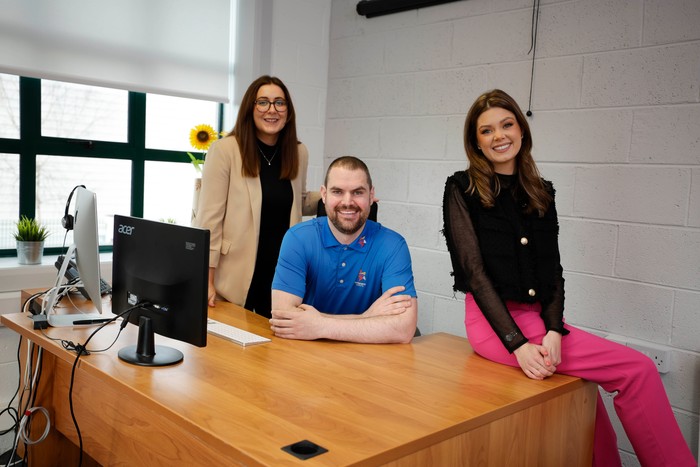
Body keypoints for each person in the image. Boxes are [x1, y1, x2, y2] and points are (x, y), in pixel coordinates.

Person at [442, 89, 695, 467]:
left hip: (538, 322)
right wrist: (517, 344)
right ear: (475, 142)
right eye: (486, 130)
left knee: (590, 407)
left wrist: (555, 330)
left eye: (507, 124)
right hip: (494, 327)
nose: (499, 136)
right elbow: (474, 274)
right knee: (637, 370)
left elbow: (553, 271)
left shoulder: (540, 192)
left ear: (522, 131)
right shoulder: (462, 188)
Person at [195, 75, 320, 318]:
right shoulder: (225, 150)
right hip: (236, 275)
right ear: (250, 109)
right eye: (263, 102)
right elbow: (209, 220)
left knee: (274, 350)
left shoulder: (298, 152)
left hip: (282, 274)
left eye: (279, 103)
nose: (272, 110)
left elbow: (298, 200)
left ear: (288, 111)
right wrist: (206, 281)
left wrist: (337, 198)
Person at [270, 156, 417, 344]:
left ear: (371, 196)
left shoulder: (393, 245)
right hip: (306, 355)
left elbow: (403, 329)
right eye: (337, 191)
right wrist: (367, 317)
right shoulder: (298, 238)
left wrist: (320, 325)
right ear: (324, 195)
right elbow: (283, 319)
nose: (347, 202)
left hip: (366, 361)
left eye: (357, 192)